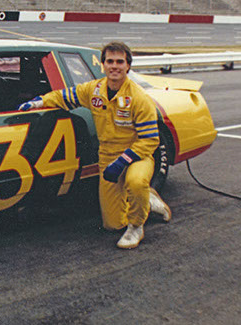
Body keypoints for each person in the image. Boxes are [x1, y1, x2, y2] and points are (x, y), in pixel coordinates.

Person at [18, 41, 172, 249]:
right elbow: (65, 96)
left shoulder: (139, 98)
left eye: (120, 62)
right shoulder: (94, 89)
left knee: (135, 182)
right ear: (103, 65)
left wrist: (123, 161)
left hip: (137, 155)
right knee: (113, 225)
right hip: (108, 156)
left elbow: (149, 140)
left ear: (128, 66)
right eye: (110, 61)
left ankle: (137, 226)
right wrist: (39, 102)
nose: (114, 66)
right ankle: (149, 200)